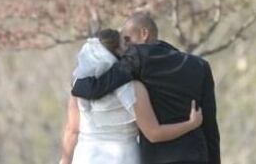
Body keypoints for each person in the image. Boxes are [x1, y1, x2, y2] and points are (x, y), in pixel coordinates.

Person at [72, 13, 220, 164]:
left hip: (160, 157)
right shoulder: (199, 65)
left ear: (144, 34)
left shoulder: (137, 57)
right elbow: (210, 127)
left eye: (127, 39)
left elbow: (94, 88)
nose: (125, 48)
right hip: (197, 155)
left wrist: (78, 82)